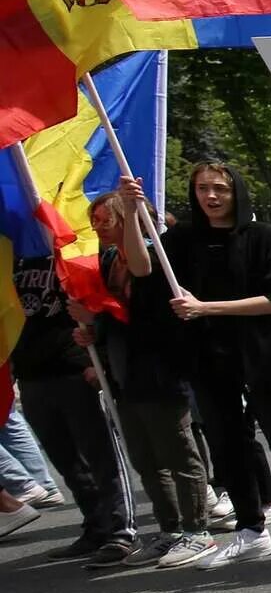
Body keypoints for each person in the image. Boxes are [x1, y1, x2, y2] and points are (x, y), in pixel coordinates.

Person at [154, 162, 271, 568]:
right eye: (202, 188)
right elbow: (151, 276)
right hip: (208, 358)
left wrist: (207, 308)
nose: (211, 196)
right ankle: (251, 530)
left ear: (237, 192)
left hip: (261, 353)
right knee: (227, 446)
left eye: (220, 188)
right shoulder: (181, 240)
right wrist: (132, 213)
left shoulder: (263, 237)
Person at [77, 185, 217, 568]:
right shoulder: (109, 261)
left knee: (177, 453)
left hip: (161, 370)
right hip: (125, 374)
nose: (98, 227)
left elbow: (142, 274)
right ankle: (169, 530)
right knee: (145, 458)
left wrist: (135, 206)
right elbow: (114, 314)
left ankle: (197, 531)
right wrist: (92, 332)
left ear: (129, 220)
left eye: (106, 220)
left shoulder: (159, 256)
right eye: (95, 221)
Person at [11, 219, 137, 567]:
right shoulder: (10, 256)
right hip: (32, 371)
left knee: (100, 454)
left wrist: (99, 359)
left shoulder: (75, 253)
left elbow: (104, 305)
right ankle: (94, 525)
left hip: (75, 367)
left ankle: (120, 530)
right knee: (66, 460)